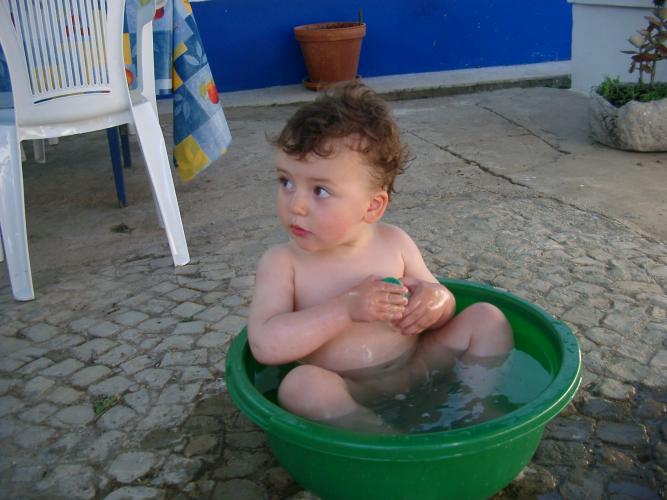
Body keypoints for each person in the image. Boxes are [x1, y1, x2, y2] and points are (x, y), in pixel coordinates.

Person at [248, 82, 513, 431]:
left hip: (418, 365)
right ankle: (381, 438)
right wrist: (344, 309)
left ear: (373, 206)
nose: (295, 204)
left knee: (487, 319)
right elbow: (265, 345)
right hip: (347, 387)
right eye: (286, 182)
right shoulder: (283, 263)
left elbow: (444, 306)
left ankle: (474, 405)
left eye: (320, 190)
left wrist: (433, 301)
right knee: (300, 387)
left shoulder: (395, 242)